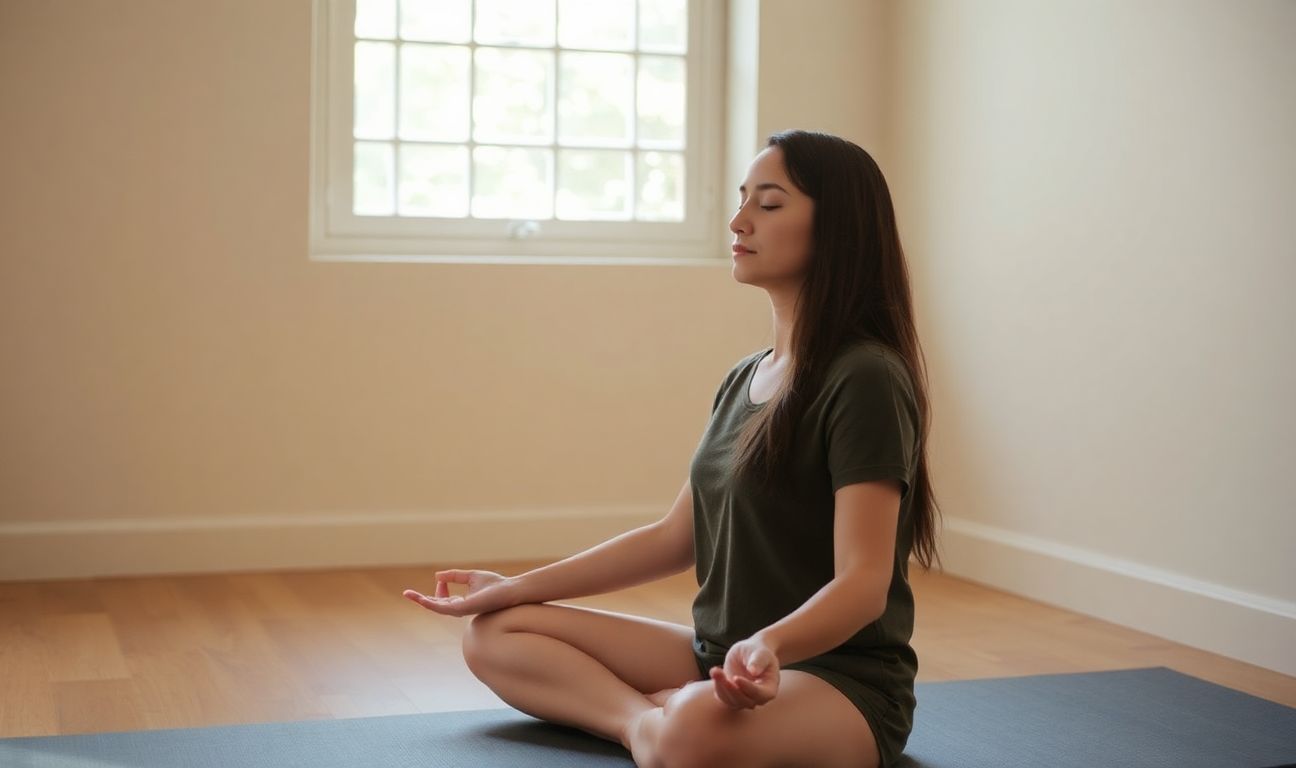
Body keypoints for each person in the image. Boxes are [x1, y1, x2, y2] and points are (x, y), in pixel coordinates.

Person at [403, 129, 942, 768]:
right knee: (495, 635)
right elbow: (672, 538)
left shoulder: (866, 376)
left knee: (693, 729)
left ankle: (668, 721)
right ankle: (640, 722)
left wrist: (766, 646)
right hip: (721, 656)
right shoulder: (745, 377)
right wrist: (512, 589)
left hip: (840, 682)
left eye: (769, 205)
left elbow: (863, 585)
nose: (739, 221)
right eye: (743, 200)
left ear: (838, 230)